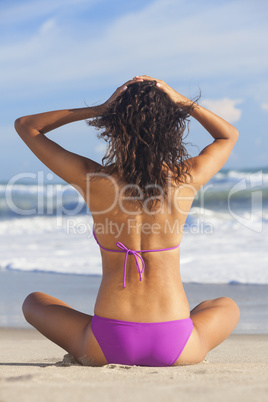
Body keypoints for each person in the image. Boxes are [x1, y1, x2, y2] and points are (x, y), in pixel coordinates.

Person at [15, 75, 240, 367]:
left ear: (114, 128)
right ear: (171, 127)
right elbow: (228, 136)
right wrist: (182, 102)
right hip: (177, 344)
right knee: (225, 305)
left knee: (34, 301)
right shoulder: (186, 178)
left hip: (106, 343)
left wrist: (100, 109)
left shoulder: (93, 179)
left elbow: (26, 126)